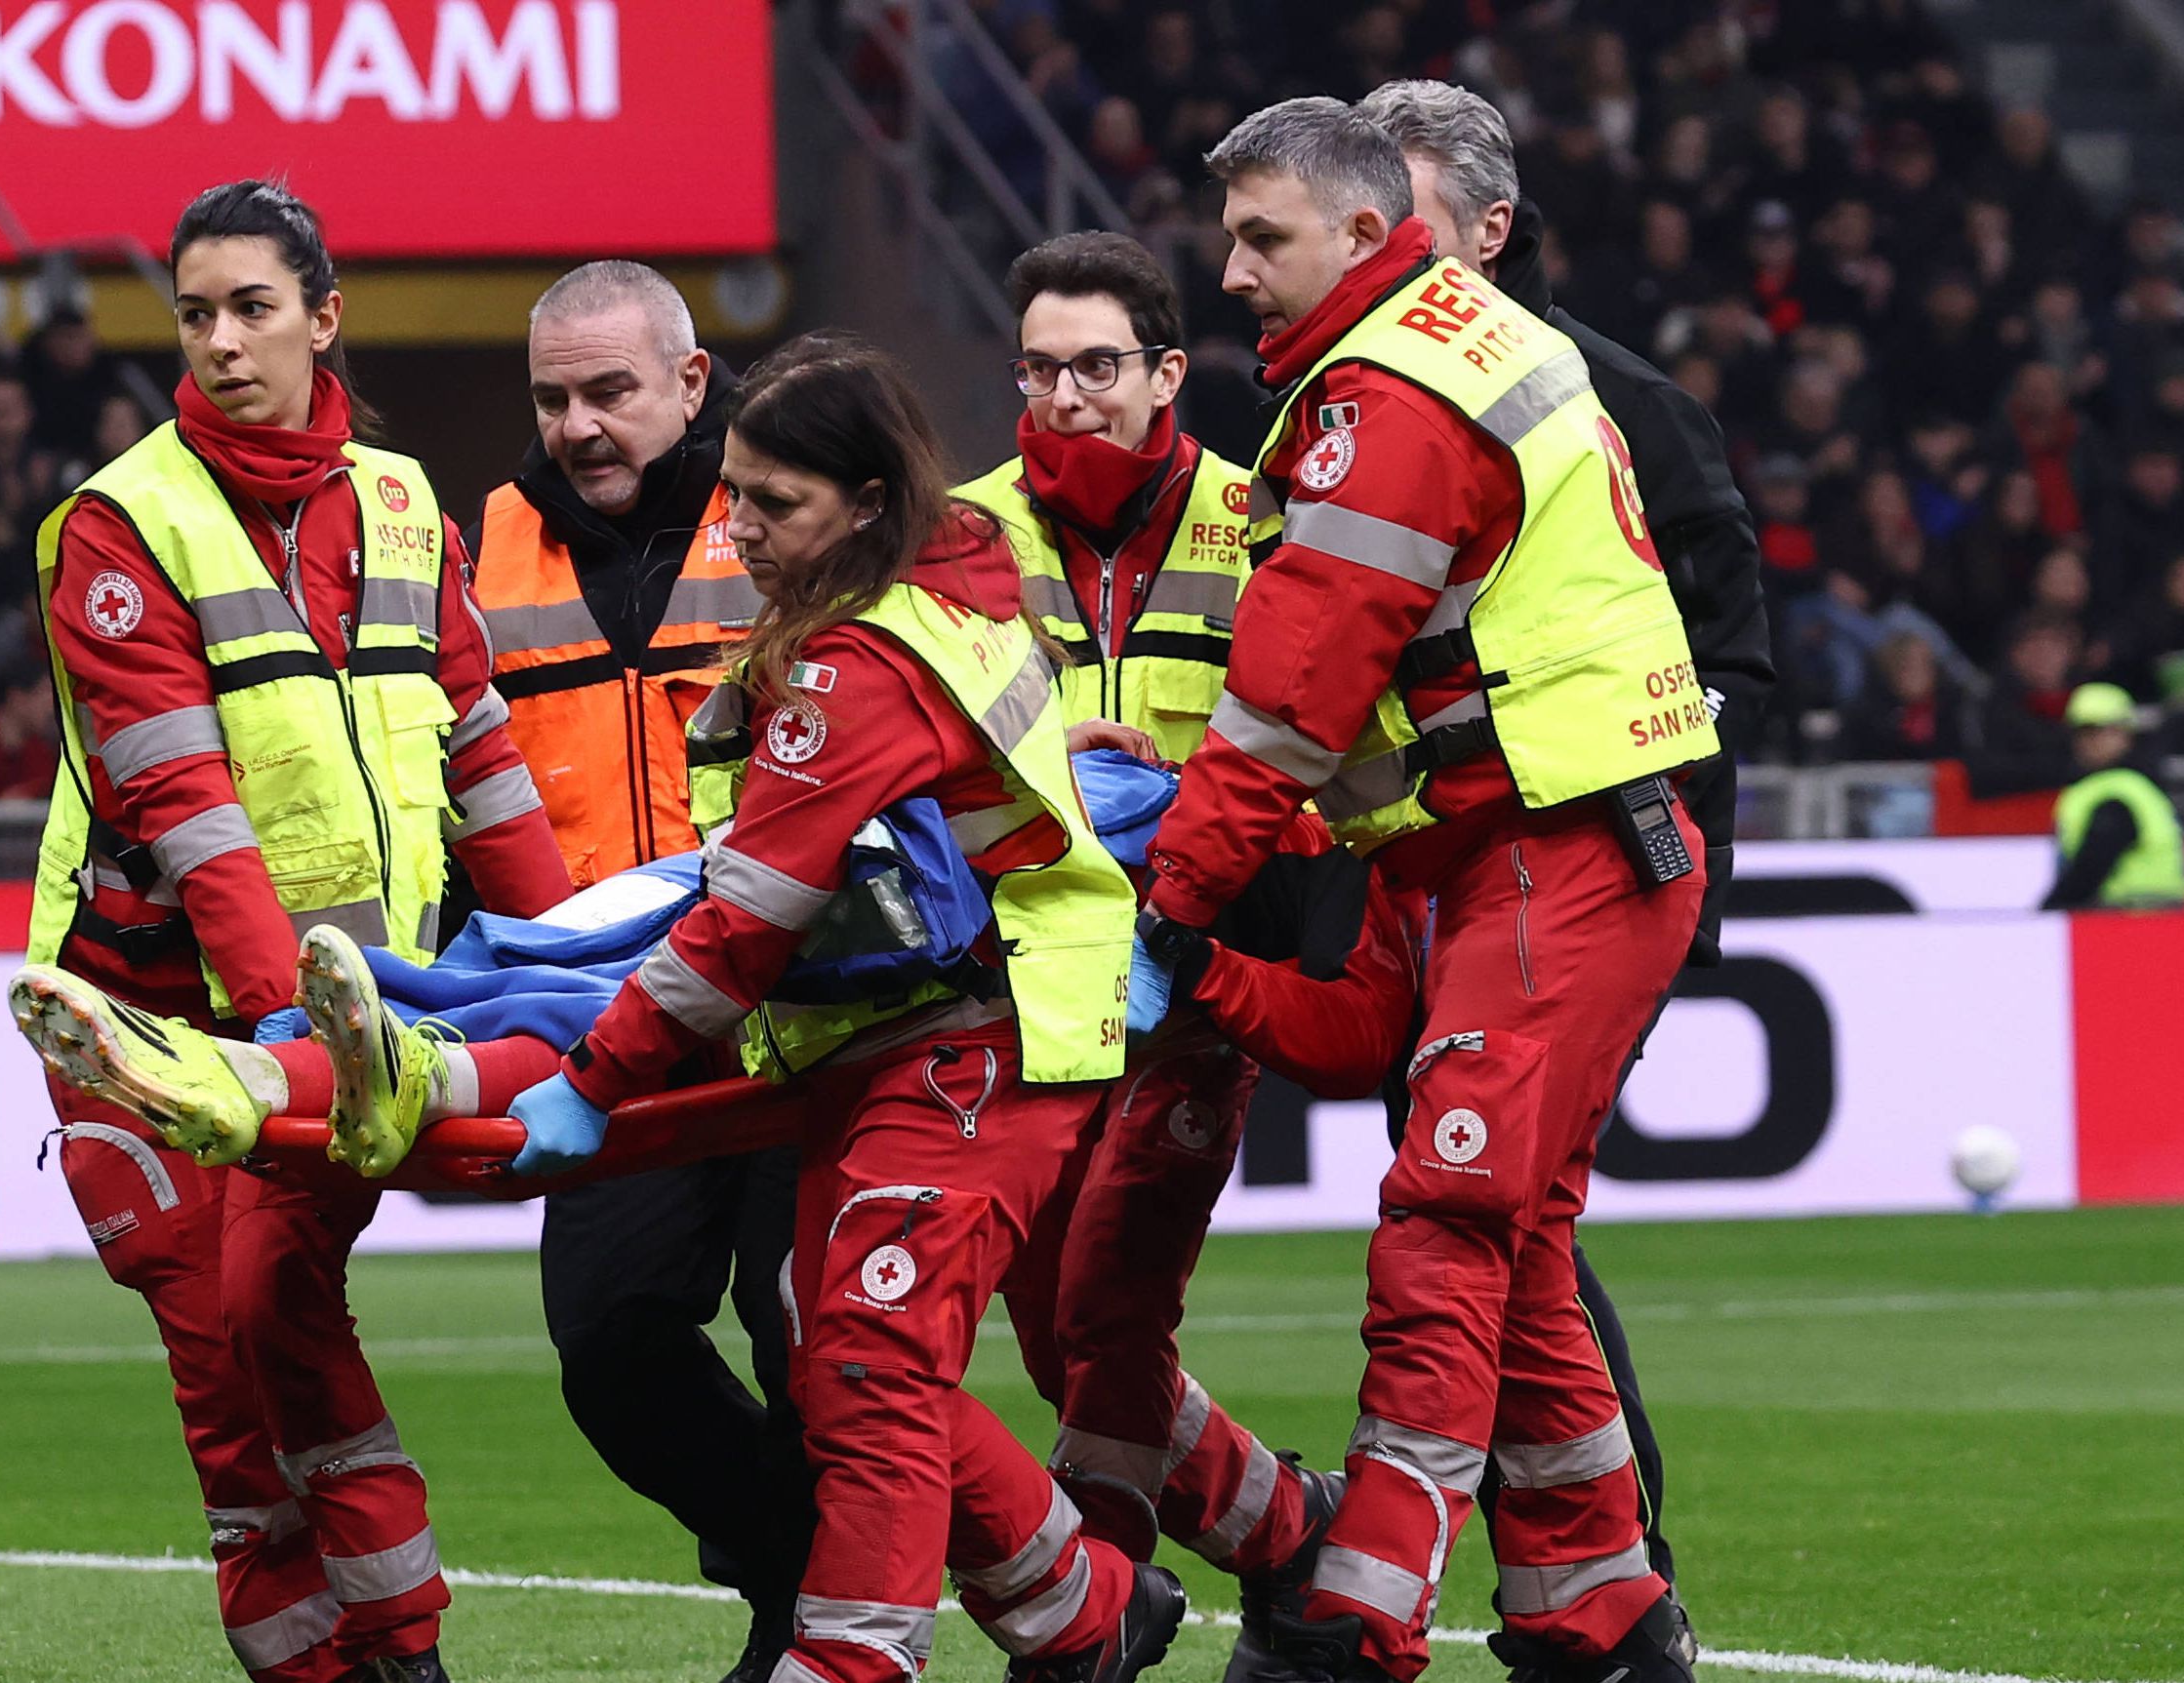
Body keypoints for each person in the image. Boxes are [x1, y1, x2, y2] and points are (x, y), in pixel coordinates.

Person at [1131, 100, 1711, 1682]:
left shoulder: (1377, 399)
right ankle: (1597, 1616)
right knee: (1510, 1242)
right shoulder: (1453, 343)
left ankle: (1353, 1617)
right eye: (1228, 237)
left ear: (1358, 225)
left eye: (1260, 238)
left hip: (1547, 843)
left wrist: (1173, 896)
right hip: (1532, 841)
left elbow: (1292, 696)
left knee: (1446, 1223)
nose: (1231, 271)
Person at [510, 333, 1186, 1683]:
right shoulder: (945, 589)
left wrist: (592, 1082)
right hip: (915, 1035)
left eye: (774, 505)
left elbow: (741, 927)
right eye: (736, 497)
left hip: (966, 1047)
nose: (739, 530)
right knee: (839, 1356)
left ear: (868, 504)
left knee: (870, 1368)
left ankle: (858, 1658)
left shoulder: (852, 668)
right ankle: (1083, 1616)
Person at [11, 180, 571, 1683]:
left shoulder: (400, 503)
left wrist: (577, 975)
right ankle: (394, 1651)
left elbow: (484, 761)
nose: (221, 342)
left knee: (281, 1316)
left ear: (325, 316)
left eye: (252, 308)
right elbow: (193, 820)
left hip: (339, 1022)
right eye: (196, 315)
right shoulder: (121, 527)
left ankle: (387, 1647)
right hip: (147, 1031)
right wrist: (290, 1038)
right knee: (233, 1356)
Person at [1361, 75, 1778, 1660]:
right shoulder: (1349, 397)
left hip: (1592, 860)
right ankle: (1588, 1588)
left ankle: (1610, 1566)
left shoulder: (1620, 406)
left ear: (1489, 229)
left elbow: (1730, 661)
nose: (1370, 249)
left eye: (1394, 218)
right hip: (1441, 865)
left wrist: (1615, 798)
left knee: (1492, 1200)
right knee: (1499, 1207)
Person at [950, 230, 1356, 1601]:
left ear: (1168, 370)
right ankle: (1291, 1536)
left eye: (1099, 367)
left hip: (1194, 984)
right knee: (1066, 1339)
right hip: (1028, 988)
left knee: (1110, 1319)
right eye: (1042, 368)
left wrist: (1178, 798)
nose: (1067, 399)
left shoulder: (1268, 520)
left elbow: (1325, 749)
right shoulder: (958, 536)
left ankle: (1099, 1607)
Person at [470, 260, 803, 1678]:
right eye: (552, 397)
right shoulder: (483, 551)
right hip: (617, 1028)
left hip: (807, 1017)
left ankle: (810, 1625)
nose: (576, 424)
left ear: (690, 382)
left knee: (821, 1356)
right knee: (611, 1357)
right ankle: (824, 1563)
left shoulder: (798, 506)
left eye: (610, 390)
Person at [2042, 683, 2184, 910]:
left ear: (2125, 734)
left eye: (2098, 731)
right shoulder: (2138, 787)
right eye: (2081, 732)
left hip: (2127, 918)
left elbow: (2090, 868)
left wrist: (2048, 910)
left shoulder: (2115, 794)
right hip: (2158, 916)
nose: (2088, 742)